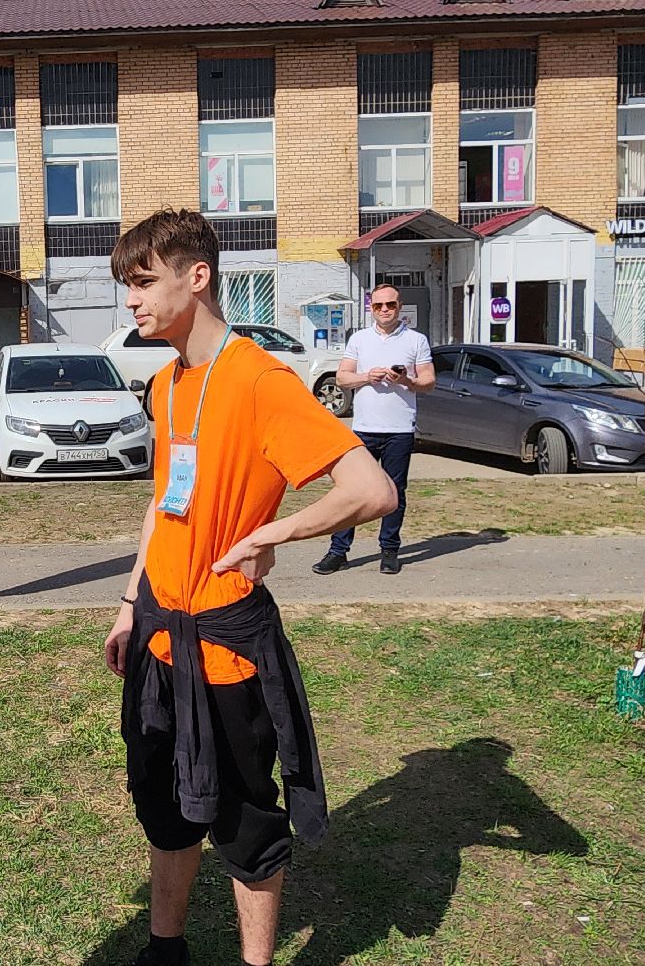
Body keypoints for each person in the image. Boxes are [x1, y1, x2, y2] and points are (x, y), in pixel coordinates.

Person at [103, 209, 396, 966]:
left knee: (244, 825)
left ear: (197, 277)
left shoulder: (261, 379)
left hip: (228, 649)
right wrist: (131, 604)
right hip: (159, 637)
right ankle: (165, 948)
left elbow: (372, 490)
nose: (131, 300)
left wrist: (273, 535)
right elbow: (163, 502)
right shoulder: (167, 384)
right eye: (127, 285)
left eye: (144, 282)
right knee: (165, 808)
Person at [312, 284, 434, 577]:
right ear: (371, 308)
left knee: (394, 492)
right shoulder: (359, 339)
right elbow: (343, 378)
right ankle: (338, 551)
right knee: (353, 490)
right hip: (363, 429)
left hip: (399, 429)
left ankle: (389, 551)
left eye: (390, 304)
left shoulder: (416, 340)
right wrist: (368, 376)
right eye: (378, 305)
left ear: (399, 306)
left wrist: (406, 381)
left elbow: (429, 381)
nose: (384, 310)